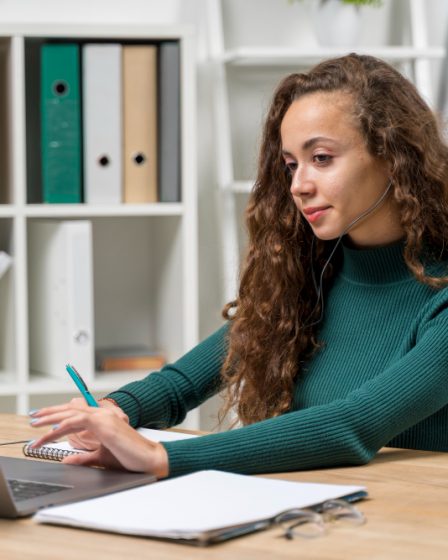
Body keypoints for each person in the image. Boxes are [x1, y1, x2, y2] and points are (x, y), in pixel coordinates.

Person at [30, 53, 448, 479]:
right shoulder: (311, 277)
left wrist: (161, 458)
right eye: (291, 165)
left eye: (321, 158)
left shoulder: (441, 298)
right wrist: (113, 413)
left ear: (394, 155)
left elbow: (353, 425)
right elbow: (180, 385)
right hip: (314, 516)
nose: (299, 185)